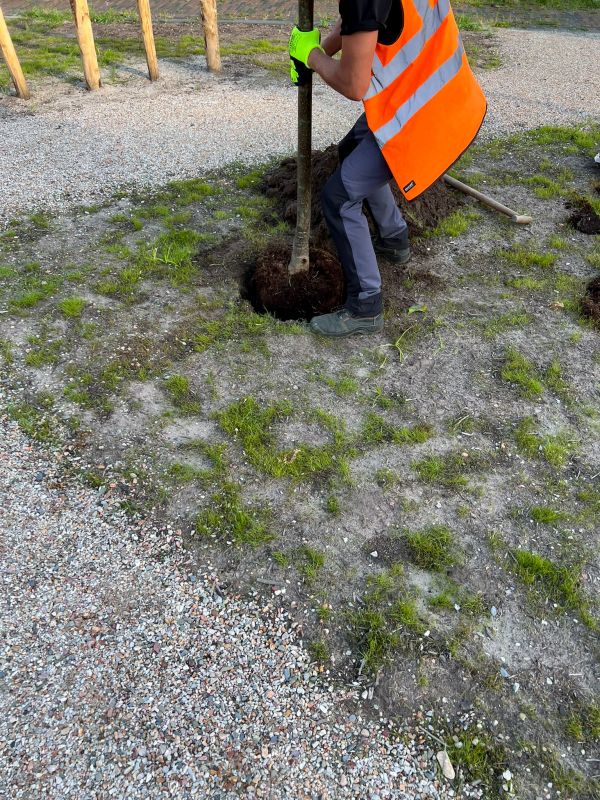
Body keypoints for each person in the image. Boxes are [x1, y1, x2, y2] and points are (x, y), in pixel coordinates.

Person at [289, 0, 487, 337]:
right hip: (442, 93)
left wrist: (311, 57)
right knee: (351, 150)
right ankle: (394, 240)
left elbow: (354, 84)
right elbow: (357, 25)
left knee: (338, 199)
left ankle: (365, 307)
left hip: (423, 118)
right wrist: (317, 49)